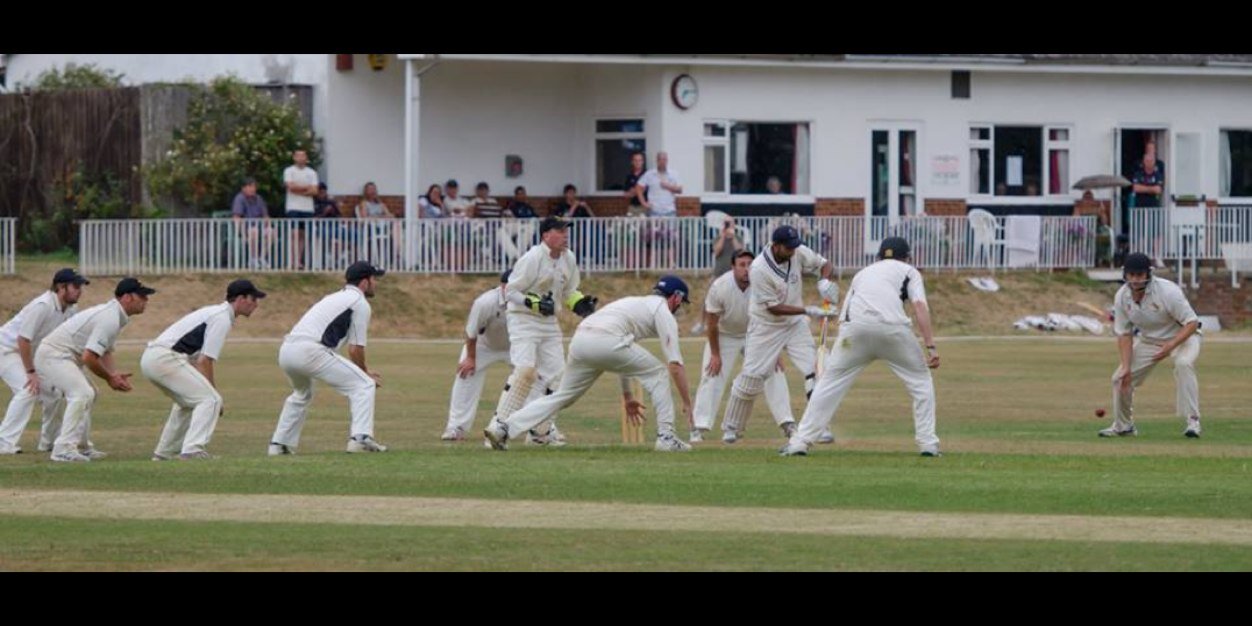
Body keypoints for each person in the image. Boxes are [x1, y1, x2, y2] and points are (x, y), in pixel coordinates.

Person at [485, 276, 693, 452]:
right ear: (676, 297)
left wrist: (628, 396)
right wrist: (687, 403)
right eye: (681, 303)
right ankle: (666, 437)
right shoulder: (662, 311)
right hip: (606, 341)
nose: (680, 308)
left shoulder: (635, 303)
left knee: (562, 396)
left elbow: (624, 355)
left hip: (582, 339)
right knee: (658, 373)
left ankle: (503, 428)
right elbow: (675, 364)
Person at [779, 237, 942, 457]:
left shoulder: (863, 273)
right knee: (921, 382)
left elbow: (844, 316)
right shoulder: (910, 271)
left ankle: (800, 442)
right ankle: (928, 445)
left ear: (878, 257)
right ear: (907, 257)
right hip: (893, 330)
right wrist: (930, 347)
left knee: (828, 383)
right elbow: (920, 306)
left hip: (854, 332)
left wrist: (842, 342)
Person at [720, 225, 840, 443]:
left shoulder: (798, 251)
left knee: (818, 369)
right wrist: (809, 310)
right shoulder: (758, 269)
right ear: (776, 246)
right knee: (752, 379)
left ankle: (818, 427)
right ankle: (732, 425)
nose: (793, 251)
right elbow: (773, 307)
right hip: (766, 326)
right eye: (788, 248)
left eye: (795, 246)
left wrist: (824, 281)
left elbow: (825, 264)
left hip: (794, 326)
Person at [486, 216, 598, 446]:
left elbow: (568, 290)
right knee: (525, 372)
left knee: (558, 377)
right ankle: (497, 429)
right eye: (560, 230)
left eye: (566, 230)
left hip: (548, 323)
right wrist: (533, 303)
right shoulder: (532, 258)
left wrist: (578, 303)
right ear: (546, 235)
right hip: (523, 319)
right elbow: (510, 292)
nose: (565, 234)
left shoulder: (569, 258)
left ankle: (540, 433)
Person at [269, 261, 388, 455]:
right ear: (364, 282)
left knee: (301, 394)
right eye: (374, 279)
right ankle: (360, 439)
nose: (376, 283)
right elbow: (355, 348)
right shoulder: (359, 303)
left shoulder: (334, 297)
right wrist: (364, 372)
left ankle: (279, 444)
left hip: (287, 350)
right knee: (363, 385)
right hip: (310, 351)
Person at [36, 277, 155, 462]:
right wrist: (110, 378)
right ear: (127, 297)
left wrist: (113, 374)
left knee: (90, 393)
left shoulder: (117, 316)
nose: (146, 300)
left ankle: (81, 447)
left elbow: (105, 351)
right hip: (53, 354)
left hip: (65, 356)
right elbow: (89, 357)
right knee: (82, 393)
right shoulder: (110, 317)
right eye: (142, 296)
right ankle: (62, 449)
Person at [144, 279, 265, 461]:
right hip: (165, 358)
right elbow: (205, 360)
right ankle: (193, 450)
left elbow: (195, 359)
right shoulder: (222, 317)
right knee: (211, 400)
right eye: (253, 299)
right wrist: (213, 392)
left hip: (153, 358)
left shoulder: (215, 312)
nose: (256, 304)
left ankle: (164, 453)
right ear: (240, 299)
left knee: (187, 403)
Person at [690, 251, 794, 443]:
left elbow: (774, 318)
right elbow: (711, 324)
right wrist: (715, 354)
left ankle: (787, 423)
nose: (746, 269)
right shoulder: (720, 286)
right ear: (733, 267)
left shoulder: (764, 283)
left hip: (754, 335)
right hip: (724, 335)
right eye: (742, 265)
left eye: (750, 265)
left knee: (774, 371)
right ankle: (699, 428)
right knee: (711, 374)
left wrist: (775, 350)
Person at [1099, 252, 1203, 439]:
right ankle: (1124, 427)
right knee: (1120, 379)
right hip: (1150, 341)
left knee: (1183, 364)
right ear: (1125, 275)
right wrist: (1126, 366)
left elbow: (1192, 323)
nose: (1136, 280)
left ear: (1148, 274)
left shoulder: (1168, 291)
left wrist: (1171, 345)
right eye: (1132, 275)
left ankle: (1193, 422)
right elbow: (1124, 333)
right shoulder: (1122, 296)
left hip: (1183, 337)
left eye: (1140, 275)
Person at [0, 268, 88, 455]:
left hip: (31, 354)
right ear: (60, 287)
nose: (79, 290)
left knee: (55, 393)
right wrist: (31, 373)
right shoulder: (42, 305)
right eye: (75, 286)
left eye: (80, 286)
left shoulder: (72, 309)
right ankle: (4, 443)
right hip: (6, 350)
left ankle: (48, 443)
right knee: (28, 388)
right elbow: (23, 340)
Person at [441, 271, 513, 441]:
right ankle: (456, 428)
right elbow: (471, 333)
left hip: (516, 347)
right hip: (483, 345)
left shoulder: (527, 300)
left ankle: (541, 430)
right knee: (465, 375)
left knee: (535, 380)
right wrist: (470, 358)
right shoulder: (484, 302)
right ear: (503, 286)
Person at [636, 151, 683, 267]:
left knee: (670, 238)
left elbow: (680, 190)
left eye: (664, 159)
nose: (662, 161)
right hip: (655, 211)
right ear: (657, 161)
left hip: (669, 210)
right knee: (653, 238)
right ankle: (653, 263)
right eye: (660, 159)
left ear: (667, 160)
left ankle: (671, 262)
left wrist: (668, 186)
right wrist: (644, 203)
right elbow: (639, 188)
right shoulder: (650, 174)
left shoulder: (673, 174)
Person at [283, 149, 320, 270]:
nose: (300, 158)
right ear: (294, 157)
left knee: (303, 235)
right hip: (293, 207)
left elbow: (315, 191)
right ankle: (292, 260)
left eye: (303, 155)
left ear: (306, 157)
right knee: (294, 234)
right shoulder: (289, 171)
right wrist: (307, 188)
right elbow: (290, 187)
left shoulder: (312, 172)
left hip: (307, 208)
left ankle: (299, 260)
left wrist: (299, 189)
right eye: (298, 155)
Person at [231, 178, 275, 269]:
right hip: (246, 229)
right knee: (254, 231)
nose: (252, 189)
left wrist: (268, 224)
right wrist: (240, 232)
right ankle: (252, 258)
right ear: (243, 188)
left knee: (271, 232)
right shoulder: (239, 198)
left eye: (254, 186)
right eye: (250, 186)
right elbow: (236, 217)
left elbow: (265, 215)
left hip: (259, 227)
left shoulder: (258, 198)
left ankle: (261, 257)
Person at [355, 182, 400, 267]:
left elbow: (390, 215)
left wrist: (383, 217)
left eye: (374, 189)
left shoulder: (381, 204)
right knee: (392, 232)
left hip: (383, 227)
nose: (372, 192)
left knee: (396, 225)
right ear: (366, 192)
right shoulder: (364, 203)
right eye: (370, 190)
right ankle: (396, 255)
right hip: (370, 228)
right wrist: (380, 217)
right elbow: (364, 217)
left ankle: (395, 255)